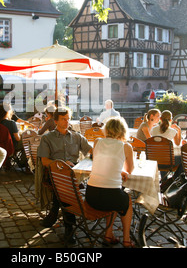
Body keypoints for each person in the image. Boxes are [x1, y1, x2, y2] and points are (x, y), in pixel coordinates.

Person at [37, 106, 92, 245]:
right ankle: (69, 227)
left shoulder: (77, 136)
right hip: (54, 173)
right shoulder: (47, 138)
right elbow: (44, 161)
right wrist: (61, 164)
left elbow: (91, 151)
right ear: (55, 121)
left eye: (68, 119)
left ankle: (54, 213)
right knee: (67, 188)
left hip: (74, 174)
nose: (67, 122)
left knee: (66, 186)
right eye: (63, 119)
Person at [86, 117, 135, 248]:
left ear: (106, 129)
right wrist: (121, 171)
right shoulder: (126, 146)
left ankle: (108, 234)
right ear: (123, 131)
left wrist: (118, 171)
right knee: (126, 199)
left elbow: (102, 163)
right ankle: (126, 239)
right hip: (111, 197)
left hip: (91, 196)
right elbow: (130, 169)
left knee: (115, 195)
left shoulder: (97, 142)